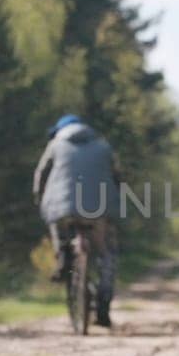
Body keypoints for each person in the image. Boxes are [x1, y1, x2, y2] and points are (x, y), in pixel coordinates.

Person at [33, 114, 121, 328]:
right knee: (106, 253)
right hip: (99, 209)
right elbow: (118, 175)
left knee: (56, 222)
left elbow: (41, 174)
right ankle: (104, 301)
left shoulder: (55, 145)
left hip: (63, 208)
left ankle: (63, 256)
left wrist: (39, 197)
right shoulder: (103, 146)